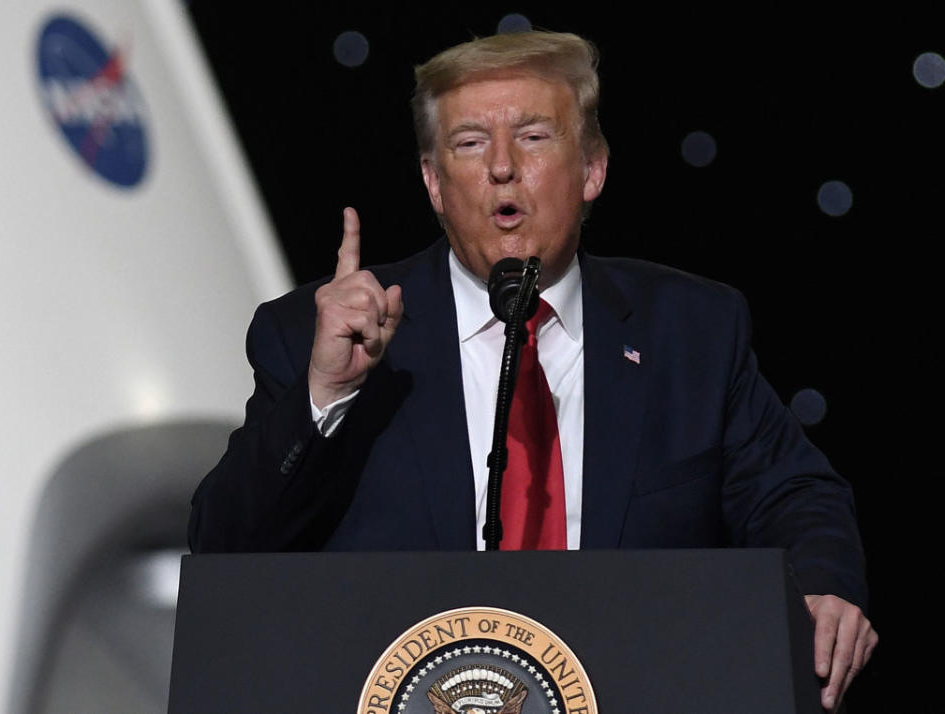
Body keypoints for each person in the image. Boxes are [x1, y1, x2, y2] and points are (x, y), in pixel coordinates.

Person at [188, 31, 876, 710]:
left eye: (534, 137)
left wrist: (821, 588)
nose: (501, 167)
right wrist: (327, 392)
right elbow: (225, 550)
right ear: (432, 181)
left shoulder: (689, 332)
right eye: (467, 143)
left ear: (592, 170)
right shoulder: (320, 333)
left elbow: (795, 495)